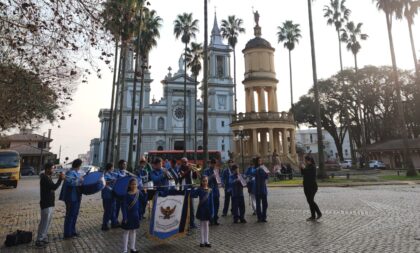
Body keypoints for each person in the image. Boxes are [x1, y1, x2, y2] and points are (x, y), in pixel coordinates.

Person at [35, 163, 65, 247]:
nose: (53, 170)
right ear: (47, 169)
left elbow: (52, 188)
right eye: (52, 169)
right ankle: (39, 240)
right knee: (44, 222)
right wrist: (60, 179)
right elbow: (54, 187)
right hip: (46, 203)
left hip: (50, 203)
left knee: (47, 222)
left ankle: (43, 237)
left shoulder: (48, 177)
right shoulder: (44, 178)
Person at [59, 159, 84, 239]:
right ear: (78, 165)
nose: (81, 167)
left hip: (77, 196)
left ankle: (72, 231)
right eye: (80, 165)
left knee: (75, 214)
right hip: (71, 197)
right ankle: (67, 233)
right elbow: (70, 183)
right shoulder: (70, 172)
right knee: (70, 215)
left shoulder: (77, 172)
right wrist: (80, 180)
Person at [121, 178, 144, 253]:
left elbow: (143, 202)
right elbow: (124, 207)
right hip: (128, 215)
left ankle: (133, 248)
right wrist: (125, 217)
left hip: (135, 215)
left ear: (137, 185)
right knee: (126, 232)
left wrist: (146, 193)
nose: (134, 185)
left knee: (134, 231)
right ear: (129, 185)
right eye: (132, 184)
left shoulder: (139, 193)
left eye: (135, 184)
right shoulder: (126, 195)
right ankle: (125, 250)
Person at [191, 176, 213, 248]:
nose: (205, 182)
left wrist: (212, 211)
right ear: (201, 182)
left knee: (206, 225)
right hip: (201, 209)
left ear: (207, 181)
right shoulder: (199, 189)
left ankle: (207, 241)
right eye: (203, 181)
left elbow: (211, 202)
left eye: (206, 181)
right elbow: (193, 195)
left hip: (207, 210)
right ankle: (202, 241)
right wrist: (193, 188)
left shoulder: (210, 190)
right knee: (202, 225)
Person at [301, 155, 322, 221]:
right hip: (306, 186)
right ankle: (313, 216)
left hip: (312, 187)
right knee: (309, 201)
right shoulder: (308, 166)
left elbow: (307, 173)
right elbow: (303, 173)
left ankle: (319, 213)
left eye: (306, 161)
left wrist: (303, 168)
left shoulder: (313, 167)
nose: (306, 162)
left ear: (310, 160)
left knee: (310, 200)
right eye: (305, 161)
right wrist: (301, 168)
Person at [179, 157, 197, 229]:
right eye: (184, 162)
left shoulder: (190, 168)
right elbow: (181, 176)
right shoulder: (180, 169)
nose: (185, 163)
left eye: (186, 162)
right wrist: (188, 170)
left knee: (192, 207)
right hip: (184, 189)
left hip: (191, 188)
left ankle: (192, 223)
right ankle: (184, 223)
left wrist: (194, 171)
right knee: (185, 207)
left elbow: (195, 178)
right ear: (181, 163)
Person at [101, 163, 119, 231]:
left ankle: (114, 223)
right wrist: (111, 181)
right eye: (113, 167)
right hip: (107, 195)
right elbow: (104, 183)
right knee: (108, 210)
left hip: (113, 194)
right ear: (110, 167)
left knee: (113, 209)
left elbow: (118, 176)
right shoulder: (104, 174)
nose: (113, 168)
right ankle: (104, 225)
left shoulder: (112, 173)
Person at [203, 159, 220, 225]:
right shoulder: (206, 170)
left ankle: (215, 219)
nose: (214, 165)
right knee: (210, 206)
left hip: (216, 190)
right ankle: (210, 219)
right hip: (209, 191)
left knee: (217, 205)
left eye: (215, 164)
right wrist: (211, 177)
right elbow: (204, 180)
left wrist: (218, 180)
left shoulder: (217, 170)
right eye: (213, 164)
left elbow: (219, 180)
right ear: (211, 164)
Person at [254, 157, 268, 222]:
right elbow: (252, 173)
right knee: (258, 204)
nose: (260, 161)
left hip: (263, 188)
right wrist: (257, 169)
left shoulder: (263, 168)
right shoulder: (255, 168)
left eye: (261, 160)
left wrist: (267, 173)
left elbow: (266, 176)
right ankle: (259, 217)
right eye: (259, 160)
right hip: (257, 188)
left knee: (265, 204)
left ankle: (264, 217)